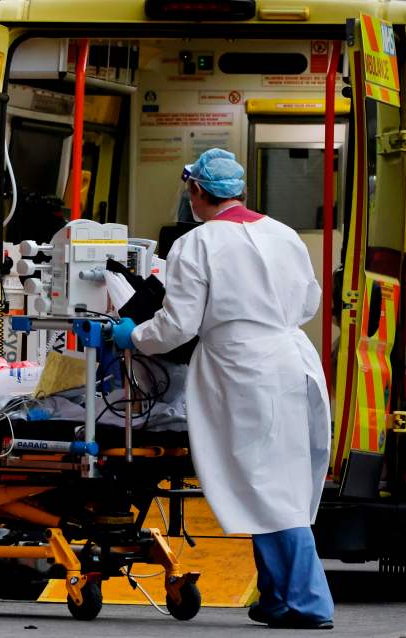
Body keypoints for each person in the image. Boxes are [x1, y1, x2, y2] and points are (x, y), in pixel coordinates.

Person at [112, 148, 334, 630]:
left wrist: (133, 335)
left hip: (243, 370)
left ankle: (308, 602)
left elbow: (178, 325)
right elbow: (310, 301)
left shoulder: (197, 243)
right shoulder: (284, 234)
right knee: (278, 481)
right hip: (291, 360)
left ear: (196, 192)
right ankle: (277, 599)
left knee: (266, 487)